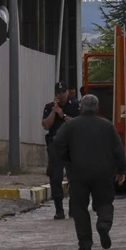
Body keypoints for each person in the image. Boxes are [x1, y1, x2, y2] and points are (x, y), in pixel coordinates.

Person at [51, 95, 126, 250]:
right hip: (103, 172)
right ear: (97, 108)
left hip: (78, 173)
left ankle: (85, 243)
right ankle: (104, 224)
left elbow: (57, 142)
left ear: (80, 108)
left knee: (79, 208)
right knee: (105, 202)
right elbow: (118, 150)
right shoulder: (107, 126)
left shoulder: (70, 125)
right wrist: (121, 170)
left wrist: (67, 159)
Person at [42, 84, 72, 218]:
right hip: (55, 145)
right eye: (58, 92)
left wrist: (63, 114)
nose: (61, 95)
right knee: (55, 178)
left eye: (63, 91)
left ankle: (74, 207)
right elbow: (45, 125)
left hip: (72, 146)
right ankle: (59, 210)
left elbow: (79, 123)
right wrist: (54, 111)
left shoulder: (75, 105)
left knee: (75, 178)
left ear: (68, 92)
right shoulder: (49, 107)